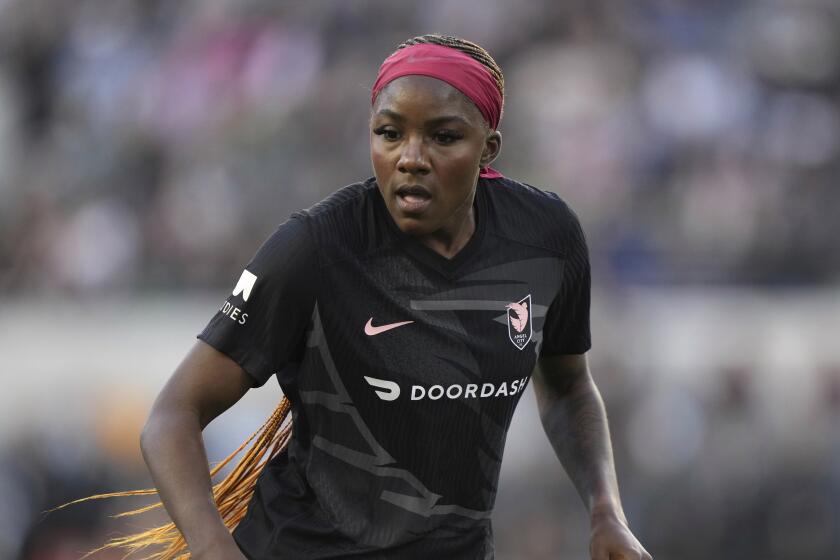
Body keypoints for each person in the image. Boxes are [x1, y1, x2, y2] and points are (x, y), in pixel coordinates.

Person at [83, 34, 652, 560]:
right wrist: (213, 549)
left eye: (444, 136)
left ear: (489, 147)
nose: (411, 156)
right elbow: (172, 416)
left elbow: (569, 385)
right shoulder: (315, 247)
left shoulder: (545, 239)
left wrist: (606, 511)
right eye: (390, 132)